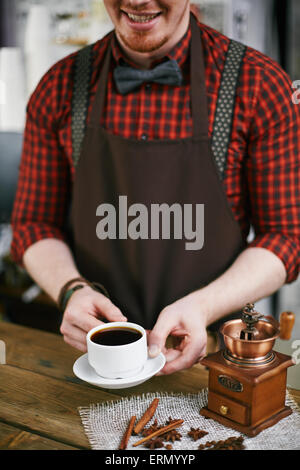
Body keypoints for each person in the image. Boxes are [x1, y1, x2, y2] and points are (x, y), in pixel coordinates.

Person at [11, 1, 300, 376]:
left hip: (213, 362)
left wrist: (202, 307)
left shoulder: (258, 84)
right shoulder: (59, 86)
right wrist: (71, 290)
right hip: (93, 363)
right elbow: (34, 225)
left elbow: (286, 236)